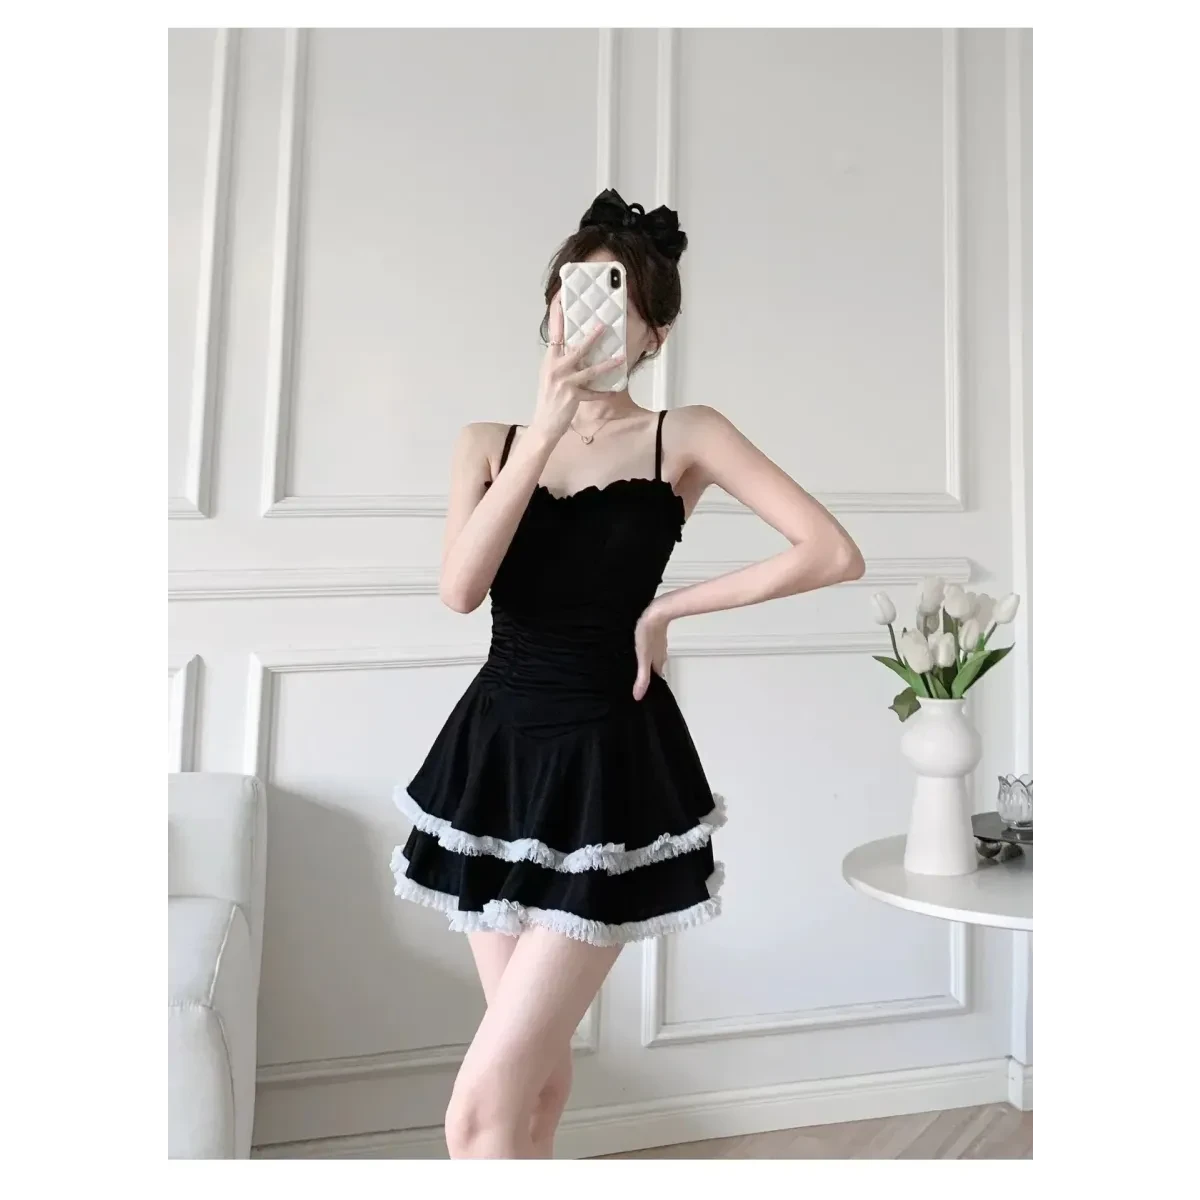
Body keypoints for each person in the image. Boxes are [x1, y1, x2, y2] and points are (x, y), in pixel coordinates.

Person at [391, 189, 866, 1158]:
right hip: (496, 762)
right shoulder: (488, 443)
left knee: (478, 1113)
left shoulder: (685, 435)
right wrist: (543, 430)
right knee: (534, 1086)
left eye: (618, 302)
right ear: (550, 309)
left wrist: (668, 609)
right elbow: (460, 590)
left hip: (606, 766)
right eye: (572, 295)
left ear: (655, 333)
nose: (588, 319)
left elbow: (830, 551)